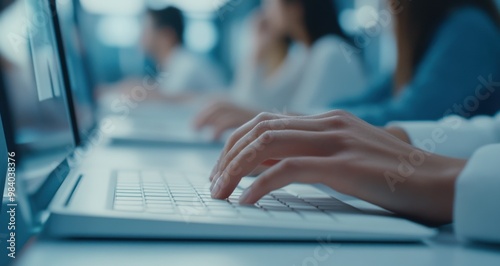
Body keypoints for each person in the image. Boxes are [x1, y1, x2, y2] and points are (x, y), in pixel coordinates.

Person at [208, 109, 500, 243]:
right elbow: (493, 131)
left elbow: (412, 102)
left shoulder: (464, 23)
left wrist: (454, 179)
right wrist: (380, 139)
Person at [194, 0, 367, 139]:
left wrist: (256, 52)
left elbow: (300, 129)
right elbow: (253, 102)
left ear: (295, 8)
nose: (264, 11)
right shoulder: (302, 53)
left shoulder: (330, 52)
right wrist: (257, 52)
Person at [141, 6, 225, 93]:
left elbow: (171, 98)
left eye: (145, 30)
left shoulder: (186, 66)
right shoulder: (170, 65)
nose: (140, 37)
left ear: (167, 35)